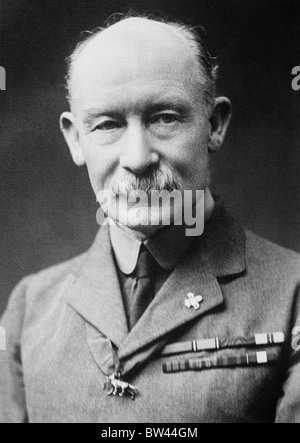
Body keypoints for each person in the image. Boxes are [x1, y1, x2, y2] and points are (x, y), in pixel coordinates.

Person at [0, 15, 299, 424]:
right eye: (108, 124)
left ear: (214, 124)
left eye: (165, 118)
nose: (138, 158)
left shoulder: (293, 297)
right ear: (75, 139)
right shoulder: (28, 309)